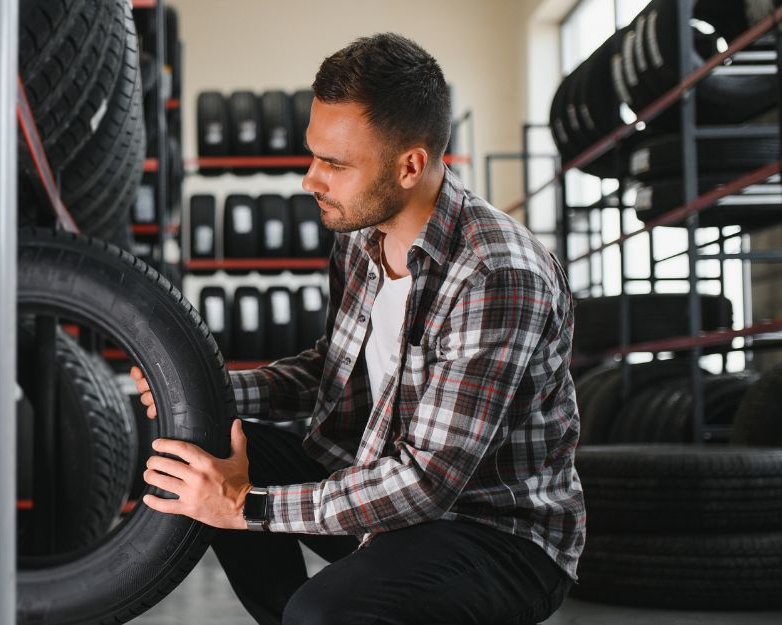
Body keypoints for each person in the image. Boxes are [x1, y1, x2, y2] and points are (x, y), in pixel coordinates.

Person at [130, 33, 584, 625]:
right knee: (207, 442)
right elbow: (332, 368)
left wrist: (247, 505)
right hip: (383, 492)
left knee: (323, 613)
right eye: (313, 154)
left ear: (410, 165)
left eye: (335, 164)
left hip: (495, 533)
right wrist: (205, 389)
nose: (309, 180)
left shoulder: (496, 275)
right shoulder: (358, 239)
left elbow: (427, 484)